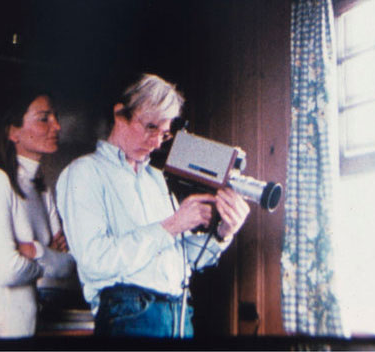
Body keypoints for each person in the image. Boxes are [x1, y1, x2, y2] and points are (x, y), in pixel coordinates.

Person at [55, 74, 250, 338]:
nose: (158, 142)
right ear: (119, 114)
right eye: (150, 127)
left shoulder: (157, 179)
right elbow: (94, 260)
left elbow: (182, 259)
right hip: (130, 315)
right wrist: (172, 225)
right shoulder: (84, 173)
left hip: (180, 314)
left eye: (165, 133)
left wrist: (222, 234)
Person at [0, 91, 76, 339]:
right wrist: (46, 254)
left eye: (56, 117)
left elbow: (67, 266)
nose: (57, 126)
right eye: (44, 119)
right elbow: (6, 270)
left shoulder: (42, 191)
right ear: (13, 132)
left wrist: (33, 250)